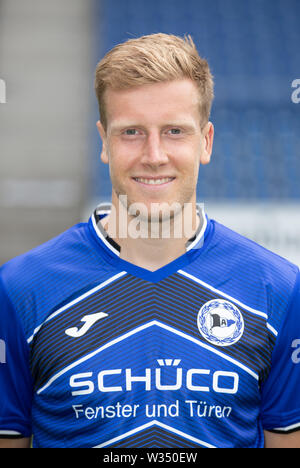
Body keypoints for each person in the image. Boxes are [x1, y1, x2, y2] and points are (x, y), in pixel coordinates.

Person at [0, 33, 299, 449]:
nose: (154, 154)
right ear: (104, 141)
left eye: (175, 131)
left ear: (206, 141)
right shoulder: (19, 289)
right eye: (132, 132)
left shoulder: (279, 290)